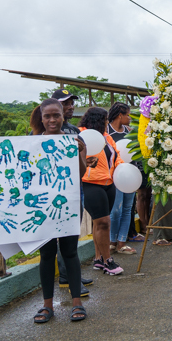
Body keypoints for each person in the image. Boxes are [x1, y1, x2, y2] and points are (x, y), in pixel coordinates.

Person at [30, 99, 88, 323]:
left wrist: (77, 153)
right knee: (46, 254)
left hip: (68, 204)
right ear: (41, 118)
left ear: (63, 116)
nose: (52, 120)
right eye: (48, 116)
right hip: (41, 206)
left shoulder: (74, 139)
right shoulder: (32, 142)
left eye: (56, 115)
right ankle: (47, 305)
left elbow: (81, 173)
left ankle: (77, 302)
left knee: (70, 252)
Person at [79, 107, 124, 275]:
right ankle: (108, 261)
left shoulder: (107, 138)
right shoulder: (81, 135)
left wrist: (120, 169)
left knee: (99, 223)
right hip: (90, 183)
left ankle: (98, 259)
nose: (107, 123)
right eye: (105, 120)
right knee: (104, 222)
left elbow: (117, 156)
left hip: (109, 183)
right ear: (97, 120)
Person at [106, 102, 136, 255]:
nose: (130, 118)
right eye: (128, 115)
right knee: (115, 210)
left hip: (130, 175)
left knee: (127, 208)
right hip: (114, 176)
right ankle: (112, 241)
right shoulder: (106, 133)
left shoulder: (130, 132)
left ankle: (122, 243)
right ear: (120, 115)